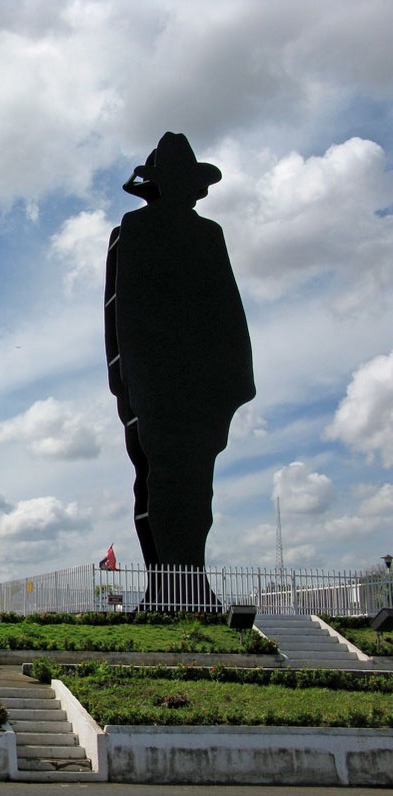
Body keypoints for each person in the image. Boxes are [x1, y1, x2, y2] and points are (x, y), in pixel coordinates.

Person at [105, 132, 255, 608]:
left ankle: (187, 583)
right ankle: (173, 586)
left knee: (196, 489)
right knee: (159, 481)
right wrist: (126, 382)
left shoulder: (209, 234)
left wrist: (235, 384)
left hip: (205, 388)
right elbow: (119, 312)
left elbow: (229, 309)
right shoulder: (135, 230)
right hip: (154, 384)